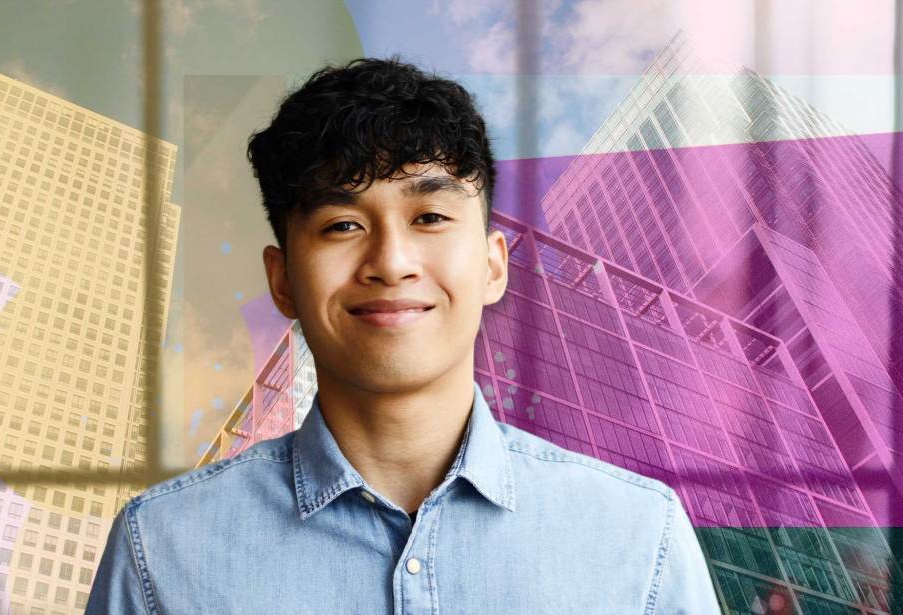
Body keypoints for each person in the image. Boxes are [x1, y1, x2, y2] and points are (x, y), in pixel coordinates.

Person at [86, 57, 722, 614]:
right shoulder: (161, 552)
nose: (391, 262)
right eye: (341, 225)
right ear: (281, 281)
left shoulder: (640, 537)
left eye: (431, 216)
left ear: (494, 264)